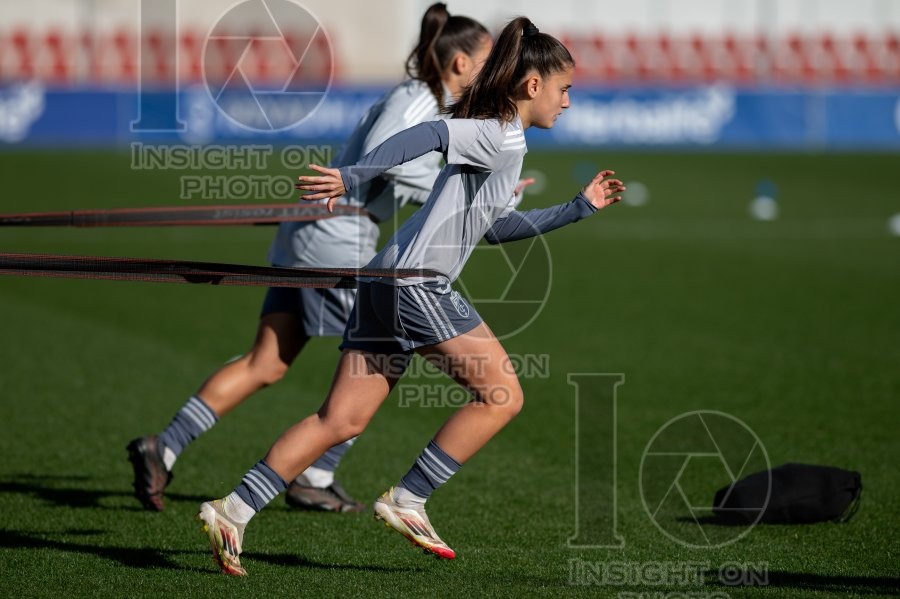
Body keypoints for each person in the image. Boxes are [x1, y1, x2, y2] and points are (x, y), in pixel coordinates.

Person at [197, 16, 625, 576]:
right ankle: (409, 497)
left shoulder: (505, 140)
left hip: (384, 281)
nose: (568, 102)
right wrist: (352, 177)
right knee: (502, 395)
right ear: (533, 85)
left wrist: (577, 208)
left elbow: (494, 229)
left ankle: (233, 509)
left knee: (341, 420)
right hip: (416, 284)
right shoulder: (498, 132)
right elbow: (430, 134)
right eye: (565, 88)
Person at [126, 3, 492, 514]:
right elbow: (384, 154)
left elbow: (392, 173)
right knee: (387, 352)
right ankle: (313, 475)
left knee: (266, 362)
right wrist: (456, 189)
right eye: (488, 60)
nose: (492, 72)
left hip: (314, 228)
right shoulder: (420, 100)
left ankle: (162, 447)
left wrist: (467, 191)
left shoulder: (427, 103)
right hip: (335, 234)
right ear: (459, 64)